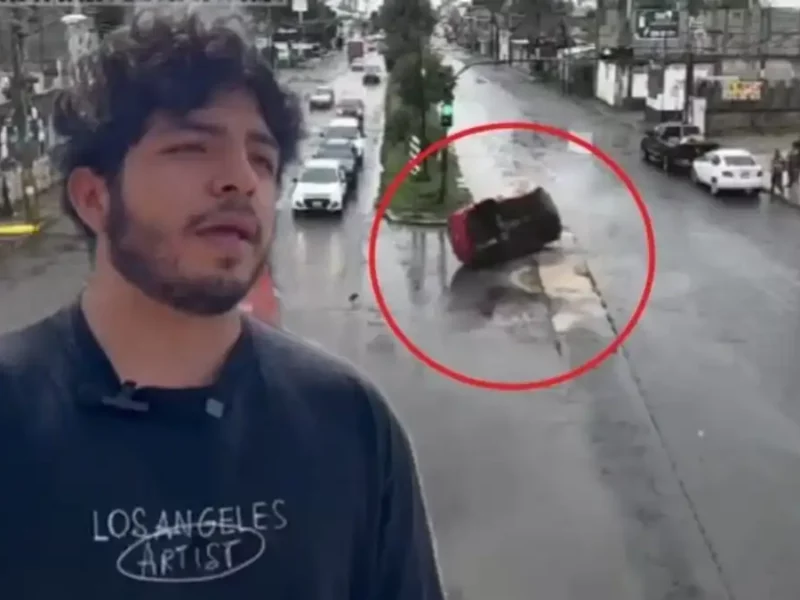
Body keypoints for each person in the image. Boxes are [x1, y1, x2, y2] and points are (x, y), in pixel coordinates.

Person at [0, 11, 444, 598]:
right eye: (191, 147)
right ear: (93, 197)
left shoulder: (350, 425)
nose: (241, 179)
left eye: (262, 159)